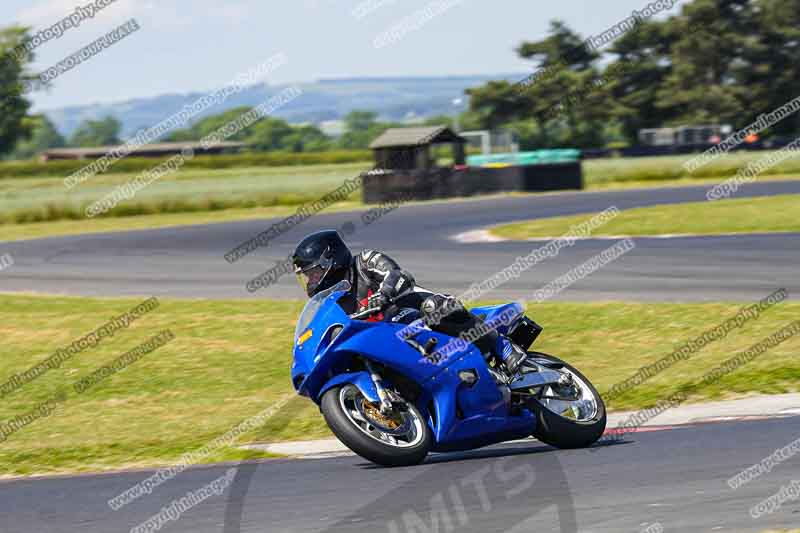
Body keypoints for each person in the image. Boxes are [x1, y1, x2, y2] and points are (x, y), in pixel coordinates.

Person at [291, 229, 527, 375]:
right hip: (385, 337)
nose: (311, 281)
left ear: (331, 260)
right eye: (306, 276)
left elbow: (397, 275)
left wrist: (382, 296)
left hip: (411, 311)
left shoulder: (364, 261)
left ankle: (501, 346)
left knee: (436, 308)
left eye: (313, 272)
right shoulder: (332, 302)